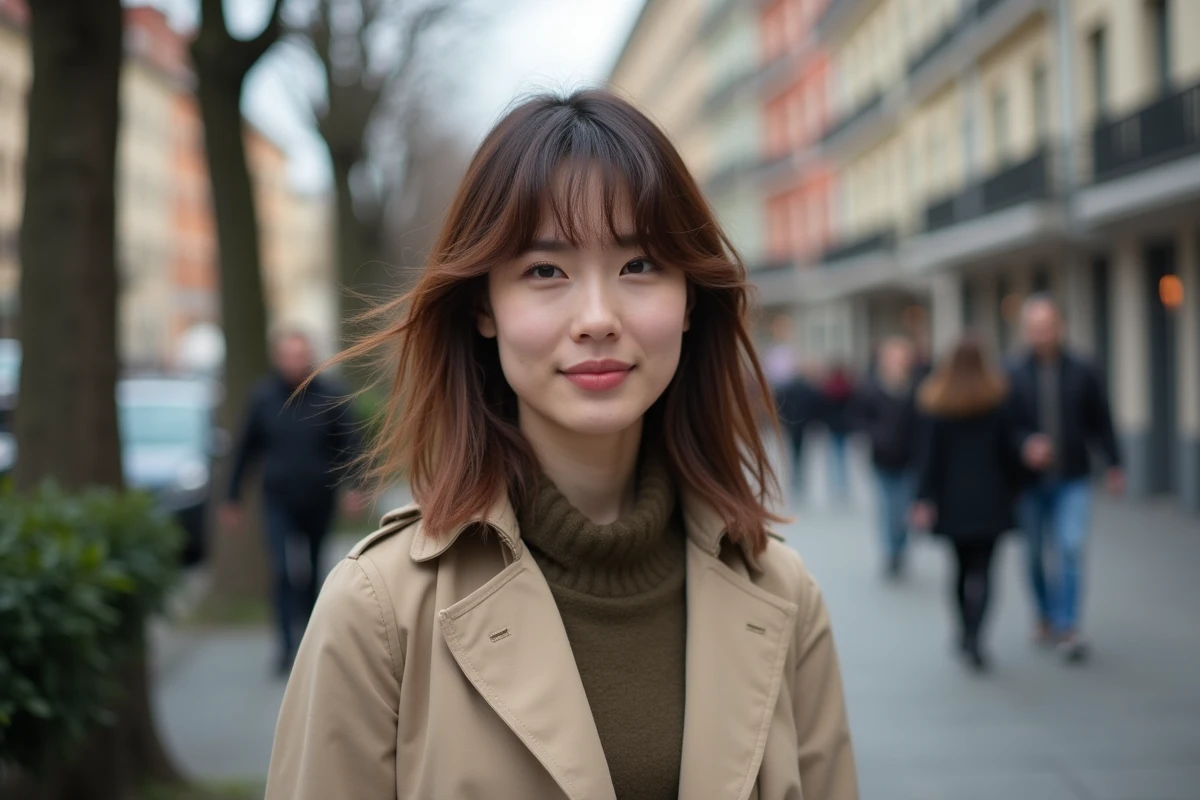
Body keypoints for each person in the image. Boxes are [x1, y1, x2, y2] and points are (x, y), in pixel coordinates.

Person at [265, 91, 858, 800]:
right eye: (546, 271)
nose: (599, 318)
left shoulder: (785, 597)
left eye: (640, 265)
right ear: (484, 307)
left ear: (690, 299)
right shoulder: (378, 612)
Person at [221, 330, 366, 675]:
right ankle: (286, 646)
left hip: (319, 496)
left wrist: (356, 486)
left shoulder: (330, 395)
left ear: (309, 357)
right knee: (283, 570)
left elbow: (351, 443)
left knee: (315, 569)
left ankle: (313, 641)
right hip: (278, 498)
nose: (294, 363)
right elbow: (246, 448)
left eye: (300, 355)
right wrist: (232, 496)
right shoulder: (263, 397)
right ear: (277, 358)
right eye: (287, 356)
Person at [1008, 294, 1122, 663]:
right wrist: (1024, 444)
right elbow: (1004, 427)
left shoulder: (1083, 369)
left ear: (1060, 327)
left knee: (1071, 547)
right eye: (1034, 328)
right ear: (1026, 331)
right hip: (1029, 483)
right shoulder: (1011, 372)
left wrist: (1115, 464)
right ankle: (1045, 613)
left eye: (1047, 327)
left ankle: (1068, 625)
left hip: (1073, 476)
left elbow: (1101, 419)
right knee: (1035, 557)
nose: (1041, 335)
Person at [911, 336, 1022, 672]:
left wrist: (923, 499)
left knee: (959, 570)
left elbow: (929, 458)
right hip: (991, 498)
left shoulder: (939, 404)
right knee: (986, 571)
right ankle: (976, 636)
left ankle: (963, 629)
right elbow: (1010, 454)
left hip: (953, 501)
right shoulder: (998, 401)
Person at [852, 337, 920, 579]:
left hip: (909, 461)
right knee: (887, 508)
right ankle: (890, 552)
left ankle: (900, 548)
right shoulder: (871, 388)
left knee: (903, 508)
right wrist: (876, 435)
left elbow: (922, 424)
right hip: (881, 460)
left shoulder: (914, 389)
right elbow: (859, 419)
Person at [819, 362, 855, 502]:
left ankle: (833, 485)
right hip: (844, 426)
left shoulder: (828, 389)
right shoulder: (848, 388)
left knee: (832, 457)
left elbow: (823, 409)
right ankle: (843, 486)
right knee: (842, 456)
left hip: (832, 426)